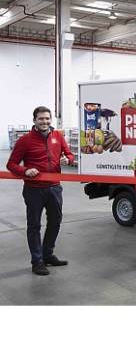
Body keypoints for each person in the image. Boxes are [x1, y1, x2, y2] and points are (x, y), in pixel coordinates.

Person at [6, 106, 74, 276]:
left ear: (51, 120)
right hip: (34, 190)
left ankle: (48, 254)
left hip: (54, 188)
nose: (44, 122)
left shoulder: (58, 136)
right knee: (34, 225)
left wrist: (68, 159)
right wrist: (25, 171)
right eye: (41, 119)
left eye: (47, 118)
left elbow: (69, 154)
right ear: (34, 120)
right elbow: (11, 164)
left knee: (55, 221)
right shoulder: (25, 140)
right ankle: (37, 261)